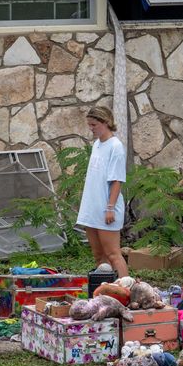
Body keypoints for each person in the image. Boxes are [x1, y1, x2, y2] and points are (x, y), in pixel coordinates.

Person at [76, 105, 129, 278]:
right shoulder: (97, 145)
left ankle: (127, 291)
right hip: (92, 208)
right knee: (99, 257)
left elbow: (116, 180)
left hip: (107, 209)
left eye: (94, 125)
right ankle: (106, 295)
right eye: (89, 125)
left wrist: (110, 207)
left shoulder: (116, 146)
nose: (91, 129)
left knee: (113, 254)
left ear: (105, 122)